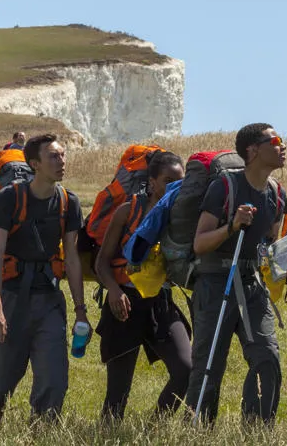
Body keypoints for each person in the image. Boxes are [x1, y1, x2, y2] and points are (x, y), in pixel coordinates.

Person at [0, 134, 89, 424]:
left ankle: (41, 434)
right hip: (10, 298)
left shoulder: (68, 202)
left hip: (49, 300)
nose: (62, 161)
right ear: (35, 164)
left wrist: (80, 311)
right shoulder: (9, 198)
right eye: (53, 156)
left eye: (63, 155)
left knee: (54, 382)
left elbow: (72, 259)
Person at [185, 123, 287, 425]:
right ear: (252, 150)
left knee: (267, 357)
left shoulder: (277, 194)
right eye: (275, 140)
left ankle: (257, 430)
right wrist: (231, 226)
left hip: (252, 284)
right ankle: (196, 430)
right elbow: (200, 243)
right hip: (215, 282)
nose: (283, 146)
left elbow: (268, 247)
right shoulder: (224, 187)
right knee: (209, 364)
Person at [95, 152, 192, 421]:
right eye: (169, 180)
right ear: (152, 182)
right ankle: (109, 433)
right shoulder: (127, 212)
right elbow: (101, 263)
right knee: (117, 394)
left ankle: (154, 428)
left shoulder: (181, 219)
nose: (175, 186)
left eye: (181, 181)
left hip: (160, 303)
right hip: (124, 303)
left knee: (186, 369)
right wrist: (114, 291)